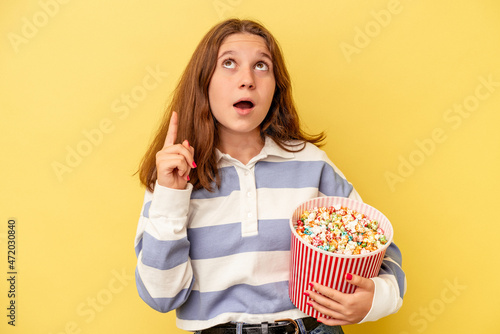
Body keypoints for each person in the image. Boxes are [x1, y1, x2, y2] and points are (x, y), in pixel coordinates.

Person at [134, 18, 406, 334]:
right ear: (203, 81)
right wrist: (171, 196)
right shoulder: (175, 177)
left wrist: (374, 301)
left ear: (277, 86)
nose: (247, 79)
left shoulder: (310, 162)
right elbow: (160, 296)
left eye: (261, 66)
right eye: (229, 63)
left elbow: (377, 246)